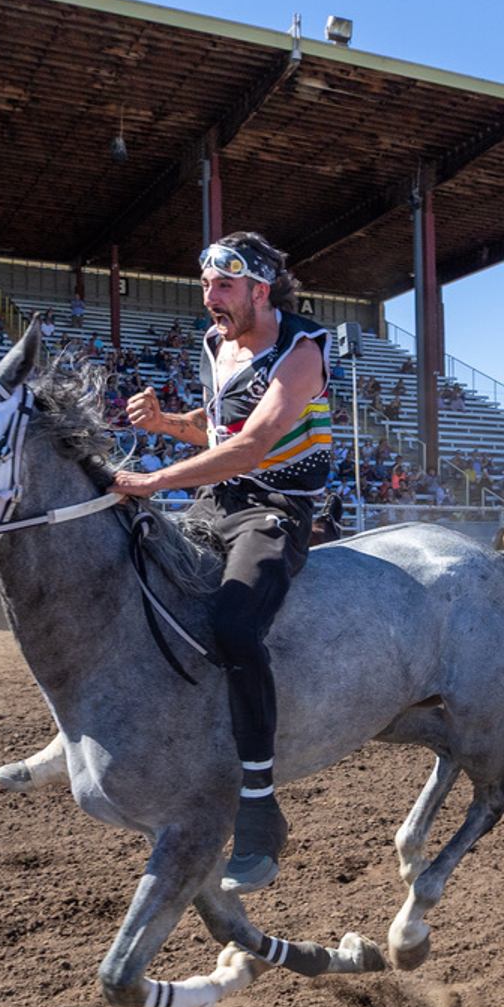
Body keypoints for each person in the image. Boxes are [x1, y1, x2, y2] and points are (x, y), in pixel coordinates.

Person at [111, 231, 331, 894]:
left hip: (275, 508)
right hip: (212, 503)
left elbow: (256, 446)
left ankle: (261, 805)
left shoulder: (302, 351)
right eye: (206, 284)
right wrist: (165, 425)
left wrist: (155, 479)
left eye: (224, 286)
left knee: (236, 626)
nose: (210, 298)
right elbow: (218, 432)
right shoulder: (216, 346)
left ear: (260, 290)